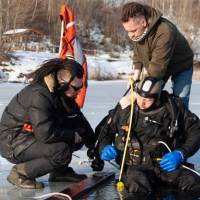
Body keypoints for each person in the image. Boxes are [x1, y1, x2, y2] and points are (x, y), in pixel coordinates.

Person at [0, 58, 96, 189]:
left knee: (77, 135)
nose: (78, 92)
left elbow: (79, 121)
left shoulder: (62, 93)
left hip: (31, 136)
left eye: (80, 88)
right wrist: (72, 135)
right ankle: (20, 173)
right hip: (13, 141)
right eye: (76, 88)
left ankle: (59, 172)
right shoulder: (39, 95)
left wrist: (95, 147)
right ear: (63, 83)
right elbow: (45, 134)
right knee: (61, 150)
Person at [96, 76, 200, 193]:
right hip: (134, 168)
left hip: (165, 165)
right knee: (137, 183)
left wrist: (181, 153)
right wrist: (104, 147)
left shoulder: (173, 107)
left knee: (192, 181)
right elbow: (105, 132)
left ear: (157, 98)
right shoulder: (125, 108)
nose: (142, 103)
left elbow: (196, 130)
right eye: (139, 97)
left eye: (148, 100)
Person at [121, 2, 193, 108]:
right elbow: (138, 52)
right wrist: (136, 72)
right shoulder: (137, 32)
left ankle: (181, 123)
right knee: (149, 99)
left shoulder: (165, 31)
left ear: (143, 22)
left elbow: (157, 68)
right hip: (159, 66)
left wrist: (136, 95)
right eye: (127, 31)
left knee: (180, 100)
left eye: (132, 31)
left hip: (181, 65)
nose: (130, 35)